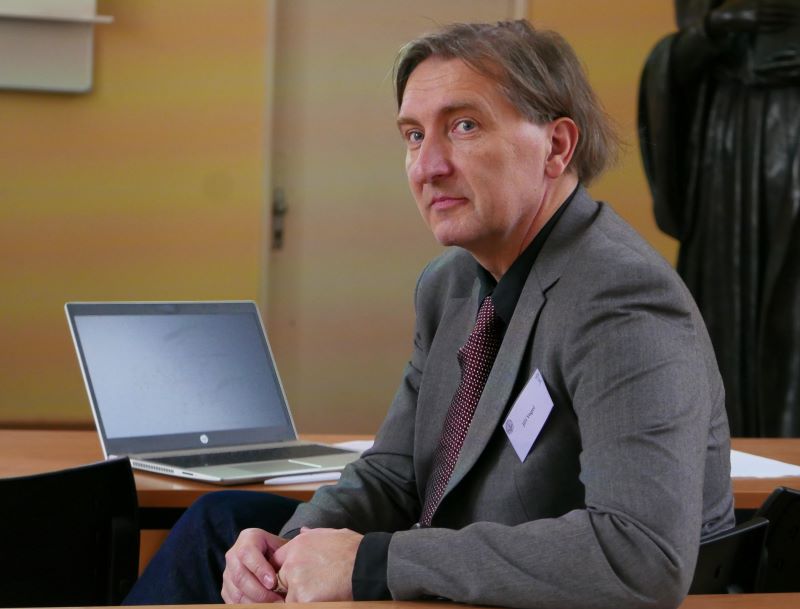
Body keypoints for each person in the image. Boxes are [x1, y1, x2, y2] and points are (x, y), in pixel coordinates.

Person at [125, 20, 734, 608]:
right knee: (224, 528)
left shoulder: (620, 298)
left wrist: (372, 564)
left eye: (464, 126)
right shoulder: (450, 285)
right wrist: (290, 551)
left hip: (540, 597)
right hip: (461, 564)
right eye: (414, 135)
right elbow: (395, 474)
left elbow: (640, 556)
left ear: (556, 146)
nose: (426, 167)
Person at [638, 0, 800, 436]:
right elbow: (671, 66)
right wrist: (716, 26)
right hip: (727, 152)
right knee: (726, 302)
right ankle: (731, 449)